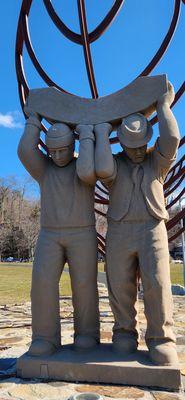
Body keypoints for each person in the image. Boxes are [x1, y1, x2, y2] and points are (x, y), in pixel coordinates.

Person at [93, 81, 180, 365]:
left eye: (141, 143)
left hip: (152, 228)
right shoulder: (116, 165)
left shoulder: (157, 162)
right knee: (119, 285)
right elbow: (102, 167)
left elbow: (171, 141)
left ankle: (161, 339)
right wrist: (104, 130)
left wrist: (163, 106)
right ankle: (124, 334)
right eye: (131, 146)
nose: (138, 150)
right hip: (119, 229)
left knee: (157, 284)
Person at [18, 112, 99, 356]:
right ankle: (45, 337)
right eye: (52, 151)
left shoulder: (84, 165)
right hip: (49, 234)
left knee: (84, 286)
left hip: (82, 233)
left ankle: (87, 334)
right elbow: (24, 152)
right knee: (42, 284)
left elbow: (87, 172)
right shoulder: (45, 169)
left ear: (71, 146)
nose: (56, 155)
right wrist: (33, 121)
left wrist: (86, 135)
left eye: (62, 150)